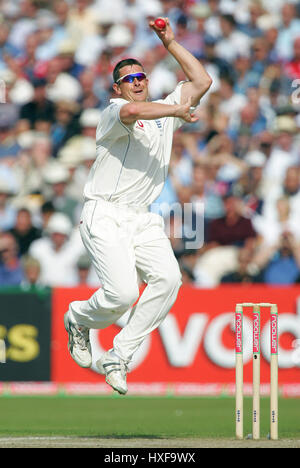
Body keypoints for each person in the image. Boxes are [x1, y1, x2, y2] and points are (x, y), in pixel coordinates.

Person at [64, 17, 212, 395]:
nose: (138, 81)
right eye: (130, 79)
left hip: (142, 217)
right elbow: (133, 113)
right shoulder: (114, 112)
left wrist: (171, 43)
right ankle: (78, 318)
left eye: (142, 76)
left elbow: (202, 82)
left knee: (169, 280)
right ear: (118, 87)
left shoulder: (163, 111)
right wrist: (176, 111)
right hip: (104, 212)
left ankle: (119, 355)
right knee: (122, 295)